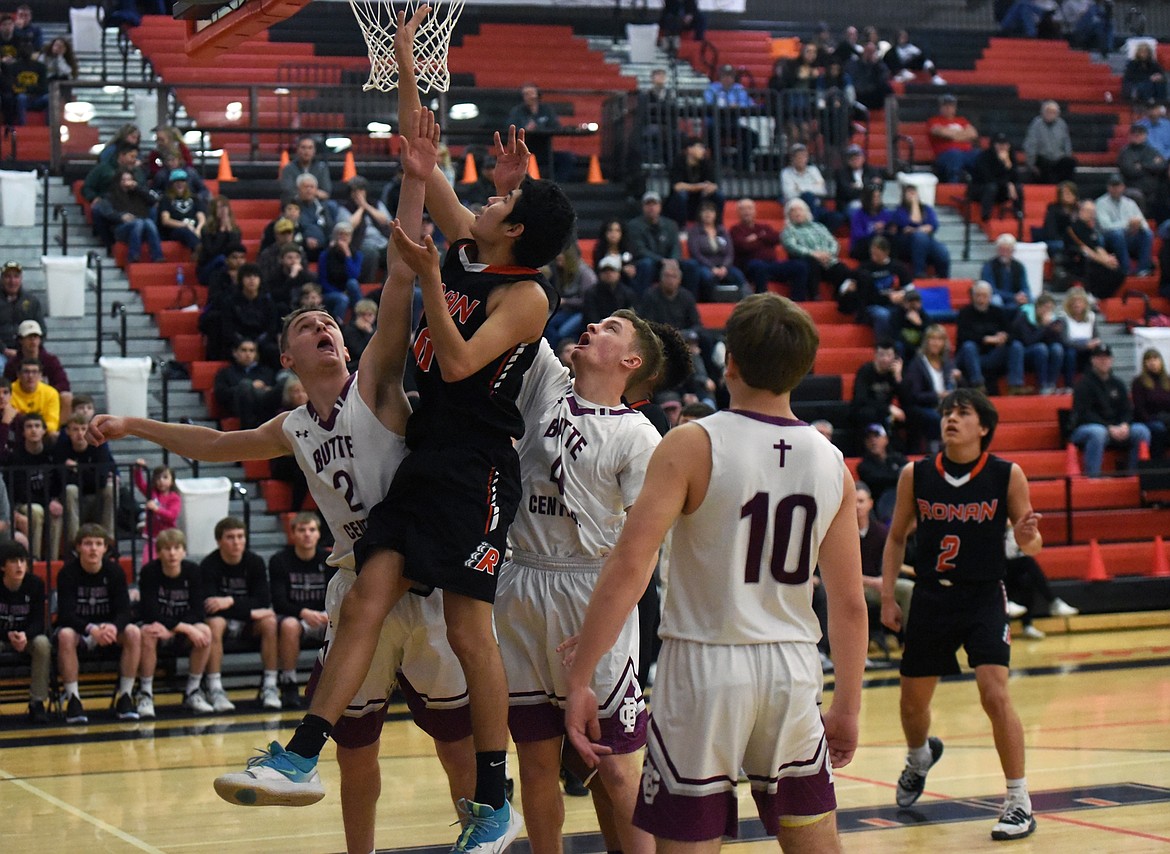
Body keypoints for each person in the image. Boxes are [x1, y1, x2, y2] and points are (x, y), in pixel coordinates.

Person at [88, 68, 476, 850]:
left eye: (330, 320)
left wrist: (413, 179)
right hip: (352, 580)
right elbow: (216, 443)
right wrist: (137, 421)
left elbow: (402, 272)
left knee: (454, 742)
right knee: (357, 749)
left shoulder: (377, 379)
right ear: (289, 355)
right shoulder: (294, 424)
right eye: (309, 325)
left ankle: (482, 836)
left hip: (421, 573)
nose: (327, 325)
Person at [563, 293, 867, 853]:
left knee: (689, 843)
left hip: (704, 665)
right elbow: (849, 603)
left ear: (729, 361)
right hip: (792, 668)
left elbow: (631, 565)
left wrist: (582, 677)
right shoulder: (831, 462)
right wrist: (847, 704)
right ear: (803, 369)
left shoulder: (692, 442)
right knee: (813, 839)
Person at [496, 314, 663, 854]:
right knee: (537, 763)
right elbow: (521, 296)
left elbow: (643, 555)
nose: (593, 325)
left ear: (630, 361)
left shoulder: (638, 435)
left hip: (592, 587)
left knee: (613, 767)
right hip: (522, 578)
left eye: (611, 327)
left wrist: (599, 631)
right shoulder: (547, 383)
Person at [880, 388, 1042, 841]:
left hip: (983, 596)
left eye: (962, 413)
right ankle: (919, 758)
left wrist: (1028, 535)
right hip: (932, 597)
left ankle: (1018, 801)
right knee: (912, 704)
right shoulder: (916, 474)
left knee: (995, 693)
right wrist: (890, 597)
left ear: (983, 427)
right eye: (947, 411)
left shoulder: (1007, 475)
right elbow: (895, 539)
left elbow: (1030, 546)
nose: (951, 418)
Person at [55, 524, 142, 724]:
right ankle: (73, 700)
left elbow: (124, 611)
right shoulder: (67, 573)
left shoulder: (115, 572)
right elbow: (65, 615)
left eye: (98, 544)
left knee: (133, 632)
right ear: (78, 548)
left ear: (105, 549)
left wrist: (113, 627)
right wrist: (91, 629)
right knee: (65, 635)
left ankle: (126, 696)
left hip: (108, 630)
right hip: (82, 629)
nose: (93, 549)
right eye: (87, 544)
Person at [197, 516, 278, 711]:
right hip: (224, 623)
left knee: (269, 622)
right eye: (230, 537)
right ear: (219, 541)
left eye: (241, 536)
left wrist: (229, 601)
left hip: (246, 622)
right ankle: (215, 687)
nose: (237, 542)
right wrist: (250, 611)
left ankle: (270, 685)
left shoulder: (255, 562)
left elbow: (263, 601)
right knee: (214, 623)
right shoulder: (209, 564)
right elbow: (209, 606)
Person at [137, 527, 215, 717]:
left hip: (177, 629)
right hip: (158, 627)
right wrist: (183, 627)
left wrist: (176, 629)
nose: (172, 553)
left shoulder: (193, 571)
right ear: (159, 552)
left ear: (184, 551)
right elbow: (150, 612)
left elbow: (198, 610)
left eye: (177, 548)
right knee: (147, 632)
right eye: (167, 548)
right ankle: (145, 693)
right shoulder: (149, 572)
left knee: (204, 631)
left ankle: (193, 691)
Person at [269, 512, 334, 709]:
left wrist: (328, 613)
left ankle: (335, 683)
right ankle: (289, 682)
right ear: (293, 534)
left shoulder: (330, 559)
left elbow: (339, 594)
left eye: (312, 530)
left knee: (342, 623)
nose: (307, 534)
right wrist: (304, 613)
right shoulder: (279, 560)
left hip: (325, 616)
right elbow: (279, 602)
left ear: (318, 534)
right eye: (302, 530)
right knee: (288, 626)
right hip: (296, 617)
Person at [1069, 344, 1153, 476]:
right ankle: (1093, 478)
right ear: (1093, 360)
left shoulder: (1118, 384)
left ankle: (1134, 477)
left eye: (1106, 357)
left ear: (1111, 360)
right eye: (1100, 358)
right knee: (1098, 433)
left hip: (1116, 428)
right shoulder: (1083, 384)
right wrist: (1108, 427)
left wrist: (1124, 424)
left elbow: (1126, 409)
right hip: (1085, 428)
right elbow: (1083, 414)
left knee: (1142, 431)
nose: (1104, 361)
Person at [0, 541, 50, 722]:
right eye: (13, 561)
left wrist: (24, 636)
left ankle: (37, 702)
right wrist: (7, 635)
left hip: (25, 637)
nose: (20, 566)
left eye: (22, 561)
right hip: (3, 636)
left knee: (42, 643)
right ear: (3, 566)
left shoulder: (35, 584)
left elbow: (39, 621)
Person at [2, 411, 62, 561]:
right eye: (29, 426)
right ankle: (33, 558)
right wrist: (48, 502)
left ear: (44, 430)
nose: (33, 430)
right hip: (23, 504)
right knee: (35, 511)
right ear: (23, 432)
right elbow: (22, 493)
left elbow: (61, 482)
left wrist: (56, 501)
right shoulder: (16, 457)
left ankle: (52, 560)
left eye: (37, 426)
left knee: (56, 514)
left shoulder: (52, 454)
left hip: (47, 501)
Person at [1003, 522, 1078, 640]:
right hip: (997, 570)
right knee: (1028, 562)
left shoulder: (1015, 531)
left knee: (1027, 580)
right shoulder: (997, 530)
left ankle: (1027, 625)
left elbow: (1021, 550)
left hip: (1010, 570)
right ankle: (1053, 602)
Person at [53, 412, 116, 548]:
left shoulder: (99, 447)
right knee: (70, 489)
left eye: (84, 429)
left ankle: (108, 541)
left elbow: (101, 481)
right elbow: (61, 480)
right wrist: (89, 474)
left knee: (111, 488)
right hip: (74, 501)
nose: (80, 434)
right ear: (68, 431)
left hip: (97, 499)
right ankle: (75, 543)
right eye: (75, 429)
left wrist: (77, 469)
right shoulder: (61, 448)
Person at [956, 281, 1029, 395]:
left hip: (994, 355)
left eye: (984, 296)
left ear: (990, 297)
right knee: (969, 346)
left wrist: (1004, 337)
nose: (981, 299)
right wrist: (986, 339)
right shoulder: (965, 313)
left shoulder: (998, 311)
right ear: (972, 296)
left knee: (1016, 345)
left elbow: (1013, 333)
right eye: (978, 295)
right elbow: (963, 336)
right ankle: (978, 384)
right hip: (972, 357)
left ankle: (1015, 385)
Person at [728, 197, 808, 298]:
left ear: (754, 211)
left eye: (749, 208)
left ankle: (797, 301)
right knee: (757, 266)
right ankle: (762, 300)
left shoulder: (764, 227)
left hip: (772, 264)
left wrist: (757, 237)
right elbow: (744, 246)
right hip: (751, 266)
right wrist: (764, 239)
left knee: (800, 266)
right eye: (743, 209)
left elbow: (776, 237)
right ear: (738, 212)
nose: (747, 212)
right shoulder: (735, 230)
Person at [901, 324, 962, 452]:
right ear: (926, 341)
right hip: (924, 407)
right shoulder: (917, 364)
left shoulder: (948, 363)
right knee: (937, 419)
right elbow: (914, 395)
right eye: (932, 339)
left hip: (946, 405)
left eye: (939, 339)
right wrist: (938, 395)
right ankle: (939, 452)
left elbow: (957, 388)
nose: (935, 343)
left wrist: (959, 379)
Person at [626, 190, 697, 296]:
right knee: (646, 264)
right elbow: (640, 250)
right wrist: (661, 260)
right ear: (643, 207)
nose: (651, 207)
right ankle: (641, 301)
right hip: (651, 263)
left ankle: (691, 299)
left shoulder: (671, 224)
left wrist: (673, 260)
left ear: (660, 206)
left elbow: (676, 246)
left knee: (692, 265)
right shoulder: (634, 226)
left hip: (670, 262)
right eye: (648, 204)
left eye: (654, 204)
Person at [782, 198, 852, 301]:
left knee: (842, 269)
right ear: (788, 215)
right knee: (811, 263)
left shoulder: (819, 227)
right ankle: (815, 296)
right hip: (809, 261)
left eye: (800, 210)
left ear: (806, 212)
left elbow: (833, 242)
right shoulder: (789, 230)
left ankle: (840, 297)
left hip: (827, 260)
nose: (797, 213)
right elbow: (791, 247)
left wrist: (828, 254)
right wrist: (813, 254)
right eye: (793, 211)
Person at [5, 319, 71, 417]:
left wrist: (42, 392)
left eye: (35, 337)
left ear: (40, 339)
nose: (33, 341)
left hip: (46, 399)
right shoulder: (12, 364)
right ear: (20, 340)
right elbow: (6, 386)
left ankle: (59, 431)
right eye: (29, 337)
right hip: (19, 402)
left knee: (67, 397)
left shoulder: (51, 361)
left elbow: (64, 384)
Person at [685, 200, 746, 301]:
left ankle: (746, 303)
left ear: (716, 214)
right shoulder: (694, 231)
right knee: (707, 277)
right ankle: (709, 303)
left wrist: (724, 267)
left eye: (711, 211)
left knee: (738, 275)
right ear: (700, 214)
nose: (708, 214)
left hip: (723, 266)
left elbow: (730, 253)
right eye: (704, 211)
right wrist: (712, 268)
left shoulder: (722, 230)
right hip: (704, 266)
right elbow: (696, 253)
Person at [1095, 174, 1154, 276]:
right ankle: (1125, 269)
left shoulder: (1130, 203)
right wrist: (1128, 224)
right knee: (1118, 234)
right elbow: (1106, 226)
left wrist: (1138, 226)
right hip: (1109, 239)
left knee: (1147, 233)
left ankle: (1143, 269)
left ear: (1123, 187)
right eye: (1113, 186)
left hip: (1129, 237)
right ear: (1108, 187)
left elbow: (1144, 224)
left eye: (1118, 186)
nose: (1116, 189)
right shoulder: (1100, 203)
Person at [212, 339, 280, 429]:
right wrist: (248, 387)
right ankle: (251, 430)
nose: (248, 354)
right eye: (244, 350)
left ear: (256, 354)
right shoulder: (226, 372)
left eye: (251, 351)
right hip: (238, 406)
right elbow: (220, 394)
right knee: (246, 385)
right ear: (235, 353)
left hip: (264, 406)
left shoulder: (267, 372)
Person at [1066, 199, 1126, 299]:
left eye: (1093, 212)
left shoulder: (1090, 229)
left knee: (1119, 271)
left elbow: (1098, 247)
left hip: (1095, 259)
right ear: (1081, 211)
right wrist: (1104, 261)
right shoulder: (1073, 228)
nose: (1091, 214)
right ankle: (1095, 296)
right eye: (1089, 211)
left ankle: (1102, 297)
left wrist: (1108, 259)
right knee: (1108, 272)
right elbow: (1084, 249)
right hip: (1080, 261)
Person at [104, 169, 165, 264]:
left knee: (148, 222)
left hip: (142, 224)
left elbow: (153, 201)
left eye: (129, 179)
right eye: (123, 180)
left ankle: (158, 256)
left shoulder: (139, 192)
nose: (127, 182)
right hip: (121, 227)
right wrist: (121, 216)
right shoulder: (111, 195)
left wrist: (138, 188)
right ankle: (133, 256)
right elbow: (107, 212)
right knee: (138, 223)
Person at [890, 184, 951, 278]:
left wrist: (915, 229)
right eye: (909, 193)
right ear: (903, 196)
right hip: (906, 244)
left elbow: (933, 225)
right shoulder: (899, 211)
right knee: (920, 236)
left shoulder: (927, 209)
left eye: (914, 193)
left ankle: (943, 278)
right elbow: (912, 222)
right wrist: (914, 204)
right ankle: (919, 273)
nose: (912, 195)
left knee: (942, 250)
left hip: (927, 240)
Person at [1011, 293, 1066, 396]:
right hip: (1024, 351)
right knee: (1041, 348)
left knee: (1057, 349)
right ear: (1038, 307)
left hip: (1043, 350)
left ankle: (1051, 384)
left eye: (1050, 309)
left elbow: (1056, 342)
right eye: (1045, 308)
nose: (1047, 311)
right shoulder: (1024, 316)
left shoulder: (1052, 319)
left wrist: (1055, 331)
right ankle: (1042, 385)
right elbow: (1028, 340)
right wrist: (1044, 327)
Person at [506, 82, 563, 180]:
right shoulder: (517, 111)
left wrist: (540, 128)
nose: (529, 96)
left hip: (545, 148)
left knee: (567, 159)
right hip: (524, 150)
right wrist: (524, 129)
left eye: (531, 93)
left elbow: (556, 126)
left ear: (538, 94)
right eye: (526, 94)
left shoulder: (547, 110)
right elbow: (510, 128)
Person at [781, 142, 842, 231]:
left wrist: (800, 187)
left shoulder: (813, 170)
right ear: (792, 159)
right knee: (807, 196)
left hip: (816, 205)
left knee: (838, 217)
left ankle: (818, 233)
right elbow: (789, 194)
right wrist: (812, 187)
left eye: (804, 156)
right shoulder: (786, 173)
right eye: (798, 157)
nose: (801, 159)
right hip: (797, 207)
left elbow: (822, 190)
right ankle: (812, 229)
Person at [664, 135, 722, 227]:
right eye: (700, 147)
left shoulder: (706, 163)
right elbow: (677, 187)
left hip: (699, 200)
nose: (703, 150)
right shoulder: (679, 162)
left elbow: (713, 185)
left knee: (718, 195)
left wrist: (710, 187)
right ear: (690, 149)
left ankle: (718, 226)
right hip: (680, 203)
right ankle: (681, 227)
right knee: (682, 195)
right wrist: (700, 186)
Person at [133, 460, 180, 563]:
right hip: (152, 536)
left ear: (172, 480)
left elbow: (172, 516)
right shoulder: (152, 492)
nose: (161, 481)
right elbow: (140, 483)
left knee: (167, 561)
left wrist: (157, 509)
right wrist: (138, 469)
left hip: (168, 536)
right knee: (147, 562)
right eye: (158, 478)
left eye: (165, 477)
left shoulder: (174, 498)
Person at [970, 133, 1023, 223]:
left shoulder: (1011, 157)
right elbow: (987, 178)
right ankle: (985, 216)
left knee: (1018, 187)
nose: (1002, 147)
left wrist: (1007, 164)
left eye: (1005, 144)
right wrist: (1007, 183)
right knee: (991, 187)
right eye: (999, 144)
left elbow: (1016, 177)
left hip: (1001, 189)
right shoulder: (985, 157)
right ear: (994, 145)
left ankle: (1019, 213)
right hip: (981, 189)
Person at [319, 220, 365, 322]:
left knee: (352, 283)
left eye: (347, 235)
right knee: (342, 299)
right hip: (331, 291)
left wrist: (347, 256)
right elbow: (323, 281)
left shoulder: (356, 255)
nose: (344, 237)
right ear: (335, 236)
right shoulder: (325, 255)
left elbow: (354, 275)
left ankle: (360, 317)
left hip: (348, 290)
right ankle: (337, 324)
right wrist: (340, 293)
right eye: (341, 234)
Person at [928, 94, 981, 182]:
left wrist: (953, 136)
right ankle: (953, 187)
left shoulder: (962, 120)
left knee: (980, 155)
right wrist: (964, 135)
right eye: (945, 105)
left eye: (951, 105)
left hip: (967, 153)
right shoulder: (934, 121)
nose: (948, 108)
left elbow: (973, 134)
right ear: (940, 107)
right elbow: (941, 132)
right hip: (945, 155)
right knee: (955, 156)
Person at [1023, 100, 1077, 184]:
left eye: (1053, 112)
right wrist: (1031, 164)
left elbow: (1067, 143)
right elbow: (1031, 144)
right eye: (1048, 111)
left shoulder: (1062, 124)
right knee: (1043, 167)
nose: (1050, 114)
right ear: (1042, 112)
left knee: (1069, 162)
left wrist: (1068, 155)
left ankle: (1066, 187)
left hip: (1058, 158)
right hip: (1043, 158)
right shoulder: (1036, 124)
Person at [1131, 347, 1170, 458]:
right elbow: (1139, 408)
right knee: (1159, 429)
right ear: (1144, 363)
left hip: (1166, 418)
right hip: (1147, 419)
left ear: (1161, 361)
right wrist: (1151, 419)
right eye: (1149, 360)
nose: (1152, 362)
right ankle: (1157, 463)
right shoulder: (1139, 382)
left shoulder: (1168, 381)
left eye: (1155, 359)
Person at [0, 261, 47, 353]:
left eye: (16, 277)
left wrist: (27, 350)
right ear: (2, 279)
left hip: (28, 351)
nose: (12, 281)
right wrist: (4, 350)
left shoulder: (32, 302)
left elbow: (42, 331)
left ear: (21, 279)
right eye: (8, 277)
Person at [157, 169, 205, 253]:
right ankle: (200, 251)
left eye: (182, 181)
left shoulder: (194, 198)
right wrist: (185, 225)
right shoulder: (166, 199)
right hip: (176, 229)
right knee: (185, 232)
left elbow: (201, 217)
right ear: (171, 184)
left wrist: (198, 229)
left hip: (194, 227)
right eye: (176, 181)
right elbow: (166, 220)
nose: (180, 184)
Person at [981, 234, 1031, 312]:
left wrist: (1024, 295)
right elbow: (991, 290)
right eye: (1002, 250)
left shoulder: (1019, 266)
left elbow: (1024, 286)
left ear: (1013, 251)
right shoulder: (989, 266)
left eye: (1008, 250)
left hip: (1015, 298)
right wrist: (1013, 297)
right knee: (995, 300)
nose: (1004, 253)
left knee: (1032, 298)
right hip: (1000, 297)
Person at [280, 135, 333, 202]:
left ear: (314, 151)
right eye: (303, 147)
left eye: (310, 148)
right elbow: (288, 190)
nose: (306, 151)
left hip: (317, 203)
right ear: (297, 150)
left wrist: (308, 193)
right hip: (295, 204)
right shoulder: (288, 168)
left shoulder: (321, 168)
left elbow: (326, 191)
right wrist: (311, 194)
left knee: (333, 206)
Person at [833, 143, 883, 212]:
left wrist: (859, 187)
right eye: (852, 158)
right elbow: (847, 192)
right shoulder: (841, 173)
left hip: (871, 202)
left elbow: (880, 187)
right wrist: (869, 185)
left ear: (863, 158)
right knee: (857, 209)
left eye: (857, 157)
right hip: (849, 204)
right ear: (848, 160)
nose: (855, 160)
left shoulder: (872, 171)